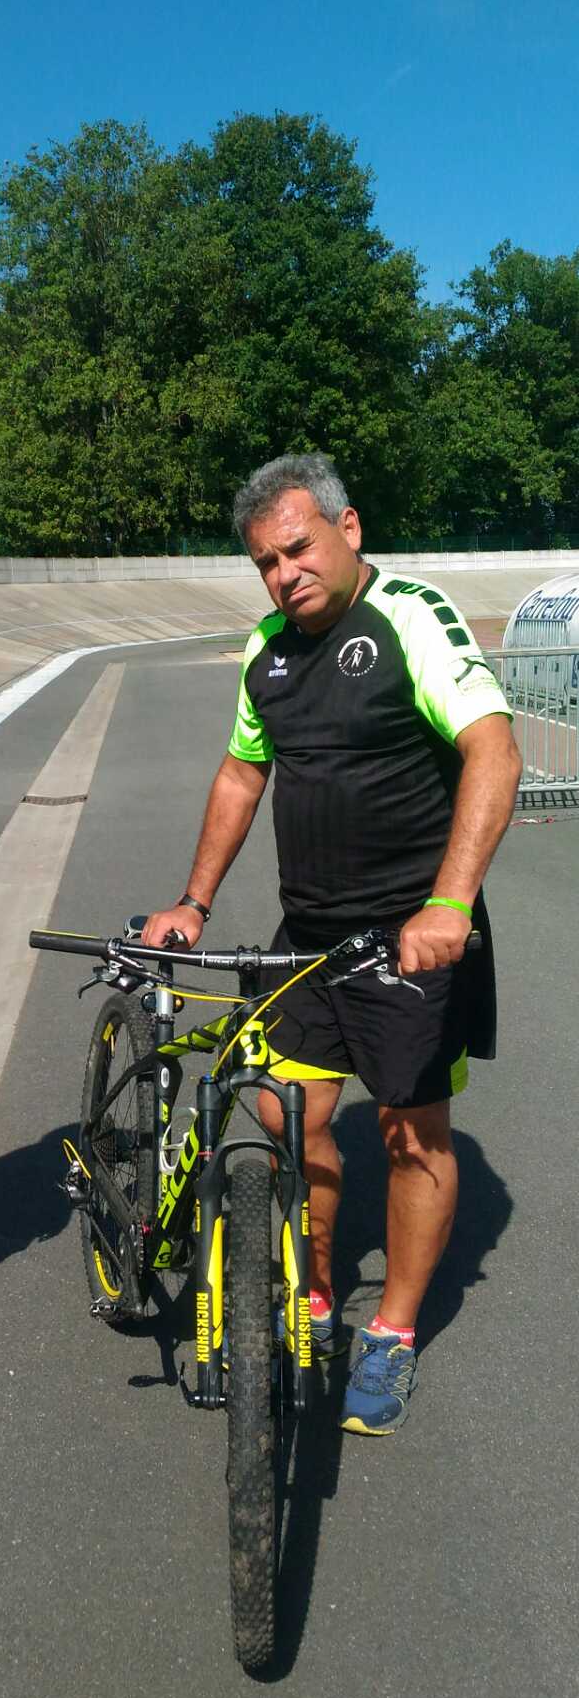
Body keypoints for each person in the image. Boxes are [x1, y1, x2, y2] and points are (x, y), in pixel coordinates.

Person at [143, 454, 521, 1435]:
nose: (284, 575)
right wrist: (193, 897)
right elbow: (241, 771)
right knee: (284, 1115)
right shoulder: (266, 650)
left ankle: (390, 1337)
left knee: (411, 1136)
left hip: (413, 938)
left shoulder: (410, 619)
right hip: (307, 934)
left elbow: (493, 747)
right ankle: (310, 1292)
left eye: (298, 549)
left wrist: (450, 903)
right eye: (266, 561)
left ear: (348, 530)